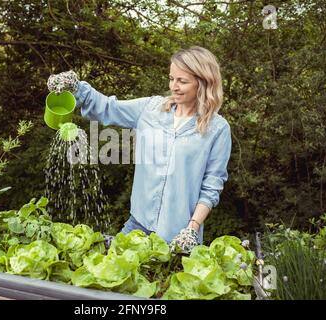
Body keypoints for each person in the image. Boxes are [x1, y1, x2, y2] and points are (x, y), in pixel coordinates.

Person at [47, 46, 232, 254]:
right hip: (137, 226)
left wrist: (192, 229)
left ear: (203, 82)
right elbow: (108, 107)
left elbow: (211, 186)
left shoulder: (217, 129)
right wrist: (76, 88)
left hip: (179, 237)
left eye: (182, 81)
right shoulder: (151, 109)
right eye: (172, 79)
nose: (174, 86)